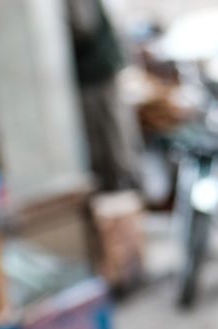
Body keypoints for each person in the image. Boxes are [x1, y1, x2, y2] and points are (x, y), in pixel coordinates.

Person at [70, 0, 141, 192]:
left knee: (109, 130)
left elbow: (82, 26)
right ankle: (120, 181)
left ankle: (122, 183)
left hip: (96, 69)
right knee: (110, 126)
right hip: (95, 69)